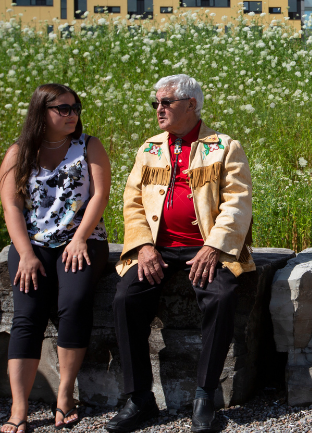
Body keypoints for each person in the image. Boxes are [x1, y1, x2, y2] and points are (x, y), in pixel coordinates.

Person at [107, 74, 253, 433]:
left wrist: (213, 246)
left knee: (222, 296)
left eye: (166, 102)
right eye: (156, 102)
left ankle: (204, 396)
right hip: (156, 247)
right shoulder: (150, 148)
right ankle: (139, 397)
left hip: (207, 247)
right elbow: (133, 202)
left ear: (191, 104)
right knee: (125, 298)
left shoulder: (224, 146)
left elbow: (237, 203)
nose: (159, 108)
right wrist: (142, 246)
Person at [0, 84, 110, 433]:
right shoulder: (19, 152)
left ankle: (65, 396)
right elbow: (12, 205)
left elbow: (100, 195)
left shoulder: (88, 146)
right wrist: (26, 254)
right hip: (34, 244)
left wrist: (79, 239)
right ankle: (19, 410)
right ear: (41, 111)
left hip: (83, 240)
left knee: (74, 303)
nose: (72, 114)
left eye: (75, 107)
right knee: (27, 317)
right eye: (63, 108)